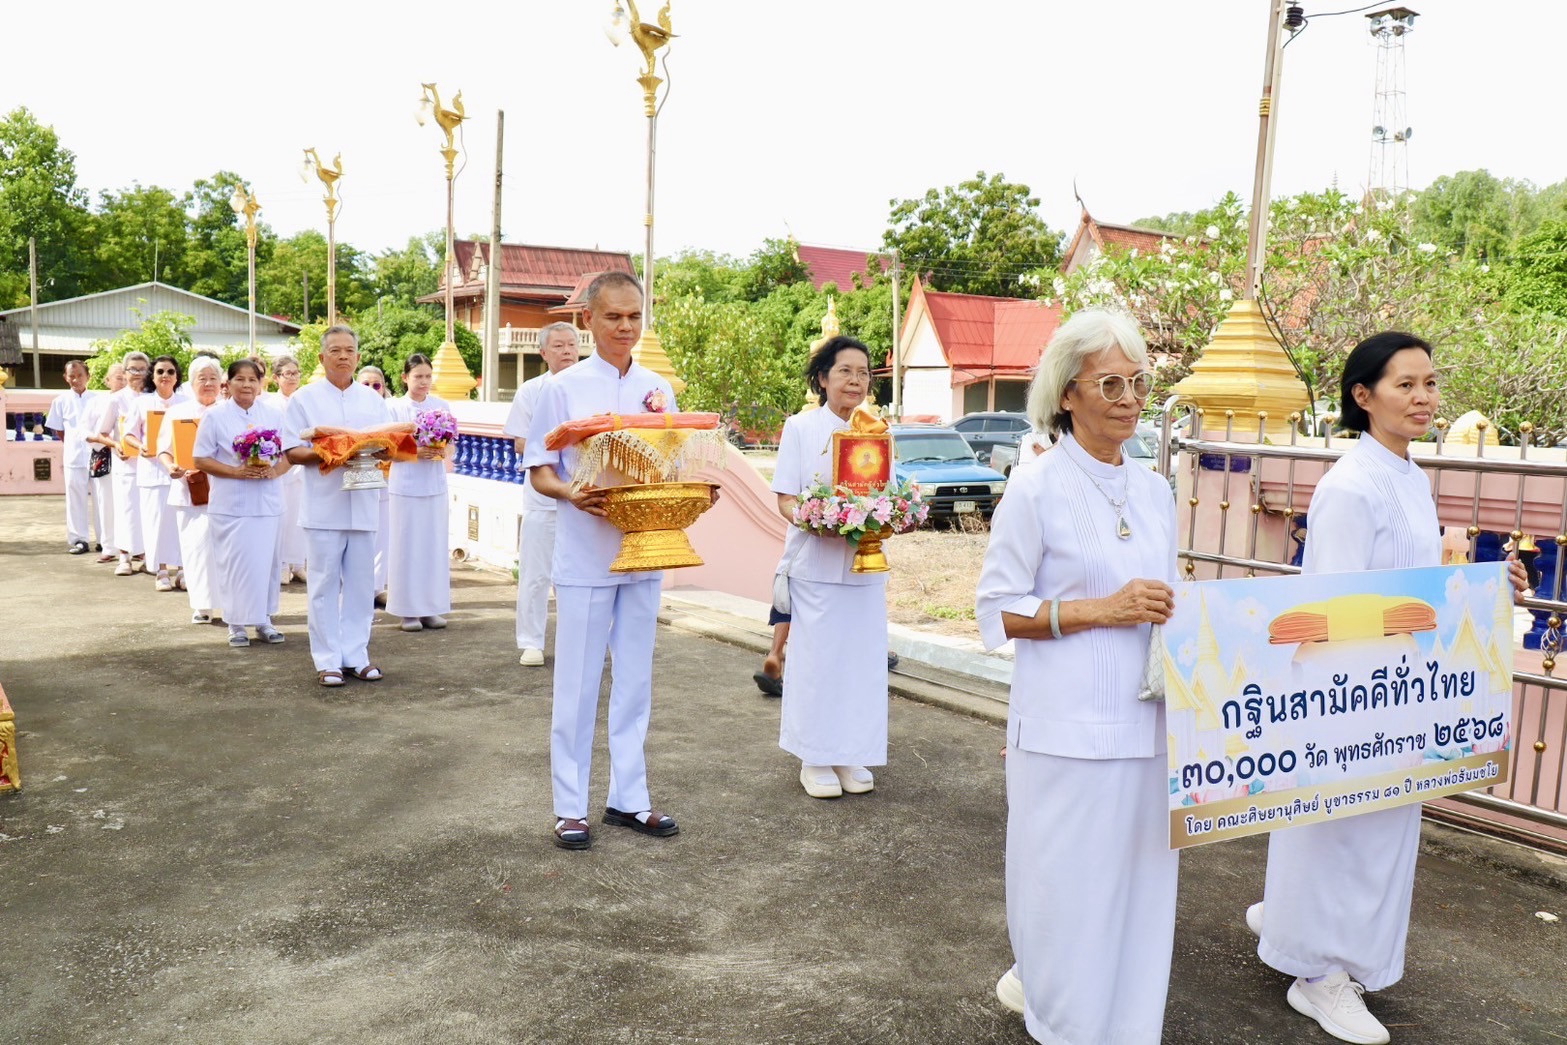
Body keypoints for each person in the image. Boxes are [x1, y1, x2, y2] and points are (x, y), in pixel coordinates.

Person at [1245, 332, 1528, 1045]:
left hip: (1399, 689)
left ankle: (1295, 923)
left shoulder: (1407, 475)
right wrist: (1353, 705)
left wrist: (1490, 585)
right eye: (1405, 384)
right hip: (1351, 691)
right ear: (1362, 396)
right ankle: (1316, 973)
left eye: (1430, 383)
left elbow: (1417, 583)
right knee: (1339, 831)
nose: (1424, 398)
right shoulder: (1349, 486)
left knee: (1376, 832)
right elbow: (1334, 606)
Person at [974, 310, 1178, 1045]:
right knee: (1065, 891)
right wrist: (1102, 609)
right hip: (1064, 731)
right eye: (1110, 383)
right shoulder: (1034, 487)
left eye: (1139, 383)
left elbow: (1168, 602)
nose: (1129, 399)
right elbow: (996, 609)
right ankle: (1062, 1023)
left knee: (1138, 892)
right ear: (1067, 393)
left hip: (1148, 728)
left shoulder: (1155, 491)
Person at [522, 271, 690, 850]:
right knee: (578, 682)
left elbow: (671, 463)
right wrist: (572, 493)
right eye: (614, 316)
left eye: (634, 316)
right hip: (586, 554)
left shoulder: (658, 389)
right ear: (588, 319)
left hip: (645, 549)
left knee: (636, 680)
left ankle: (629, 798)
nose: (625, 327)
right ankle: (570, 806)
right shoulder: (563, 388)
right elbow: (540, 470)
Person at [769, 335, 890, 799]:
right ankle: (815, 756)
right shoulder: (801, 427)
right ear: (823, 378)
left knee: (860, 662)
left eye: (863, 373)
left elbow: (886, 491)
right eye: (845, 371)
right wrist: (816, 520)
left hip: (864, 564)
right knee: (818, 663)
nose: (856, 381)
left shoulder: (879, 430)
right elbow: (785, 498)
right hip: (815, 564)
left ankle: (850, 752)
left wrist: (889, 515)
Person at [283, 326, 393, 687]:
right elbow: (292, 451)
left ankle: (356, 655)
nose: (343, 356)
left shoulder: (373, 401)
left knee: (362, 586)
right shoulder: (304, 399)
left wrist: (377, 450)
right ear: (322, 357)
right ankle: (327, 659)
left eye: (349, 350)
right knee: (323, 585)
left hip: (363, 501)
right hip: (324, 506)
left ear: (358, 357)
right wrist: (334, 451)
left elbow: (389, 447)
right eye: (335, 350)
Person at [195, 359, 289, 647]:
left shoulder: (274, 414)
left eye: (252, 379)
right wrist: (236, 471)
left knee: (266, 564)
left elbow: (289, 454)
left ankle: (264, 620)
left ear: (261, 384)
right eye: (240, 379)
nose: (247, 385)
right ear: (229, 383)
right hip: (231, 504)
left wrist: (275, 471)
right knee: (235, 565)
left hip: (267, 502)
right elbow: (200, 458)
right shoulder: (215, 416)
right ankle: (235, 623)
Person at [503, 322, 580, 666]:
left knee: (579, 575)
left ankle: (575, 640)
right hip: (542, 497)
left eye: (572, 345)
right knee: (536, 575)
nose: (567, 351)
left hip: (584, 498)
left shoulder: (590, 389)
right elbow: (521, 442)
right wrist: (562, 445)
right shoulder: (531, 391)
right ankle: (531, 642)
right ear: (544, 352)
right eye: (559, 346)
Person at [386, 353, 453, 632]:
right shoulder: (393, 408)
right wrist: (416, 452)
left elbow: (451, 442)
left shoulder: (441, 406)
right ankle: (408, 611)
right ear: (405, 378)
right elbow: (386, 449)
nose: (424, 382)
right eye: (418, 377)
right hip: (406, 486)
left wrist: (440, 451)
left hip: (434, 484)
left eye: (427, 376)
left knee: (433, 547)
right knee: (407, 548)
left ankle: (430, 607)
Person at [159, 357, 223, 624]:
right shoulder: (177, 412)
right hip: (189, 489)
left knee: (225, 551)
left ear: (221, 382)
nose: (208, 383)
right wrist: (170, 466)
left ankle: (232, 605)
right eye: (202, 378)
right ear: (191, 382)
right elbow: (164, 450)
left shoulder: (229, 410)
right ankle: (202, 605)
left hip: (225, 489)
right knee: (196, 549)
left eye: (213, 378)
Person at [128, 355, 190, 592]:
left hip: (181, 471)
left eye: (170, 372)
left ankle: (183, 570)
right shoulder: (141, 403)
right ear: (152, 377)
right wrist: (140, 446)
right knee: (156, 524)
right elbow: (128, 434)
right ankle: (161, 570)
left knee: (181, 522)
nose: (165, 376)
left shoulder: (186, 403)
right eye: (160, 371)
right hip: (152, 472)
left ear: (177, 376)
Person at [95, 352, 152, 576]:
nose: (137, 374)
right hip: (126, 465)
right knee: (126, 511)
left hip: (151, 465)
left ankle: (149, 557)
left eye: (142, 369)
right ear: (125, 372)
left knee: (149, 513)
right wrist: (116, 445)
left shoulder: (153, 398)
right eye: (133, 369)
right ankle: (124, 557)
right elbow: (101, 433)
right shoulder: (116, 399)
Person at [43, 360, 100, 554]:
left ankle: (105, 541)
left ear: (88, 376)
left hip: (97, 456)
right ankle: (79, 540)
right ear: (65, 378)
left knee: (102, 500)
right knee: (75, 500)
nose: (76, 380)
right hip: (74, 457)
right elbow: (59, 430)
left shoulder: (98, 400)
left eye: (80, 375)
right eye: (72, 376)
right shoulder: (60, 401)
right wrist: (73, 443)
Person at [266, 354, 309, 586]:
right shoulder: (269, 403)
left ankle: (298, 563)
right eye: (287, 374)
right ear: (276, 378)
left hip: (303, 463)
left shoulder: (305, 399)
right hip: (280, 463)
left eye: (296, 373)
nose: (292, 378)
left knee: (300, 516)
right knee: (283, 516)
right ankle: (282, 564)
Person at [83, 363, 126, 563]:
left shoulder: (136, 399)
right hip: (106, 456)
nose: (123, 381)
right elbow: (85, 431)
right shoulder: (97, 402)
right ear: (107, 381)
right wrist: (105, 442)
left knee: (131, 504)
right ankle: (109, 547)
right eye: (118, 377)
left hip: (131, 459)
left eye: (125, 376)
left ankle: (136, 548)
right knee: (107, 504)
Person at [359, 365, 394, 607]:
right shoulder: (351, 409)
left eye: (376, 385)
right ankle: (358, 587)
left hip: (385, 477)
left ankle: (376, 587)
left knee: (382, 534)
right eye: (366, 384)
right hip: (357, 476)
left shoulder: (389, 411)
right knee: (360, 535)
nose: (372, 389)